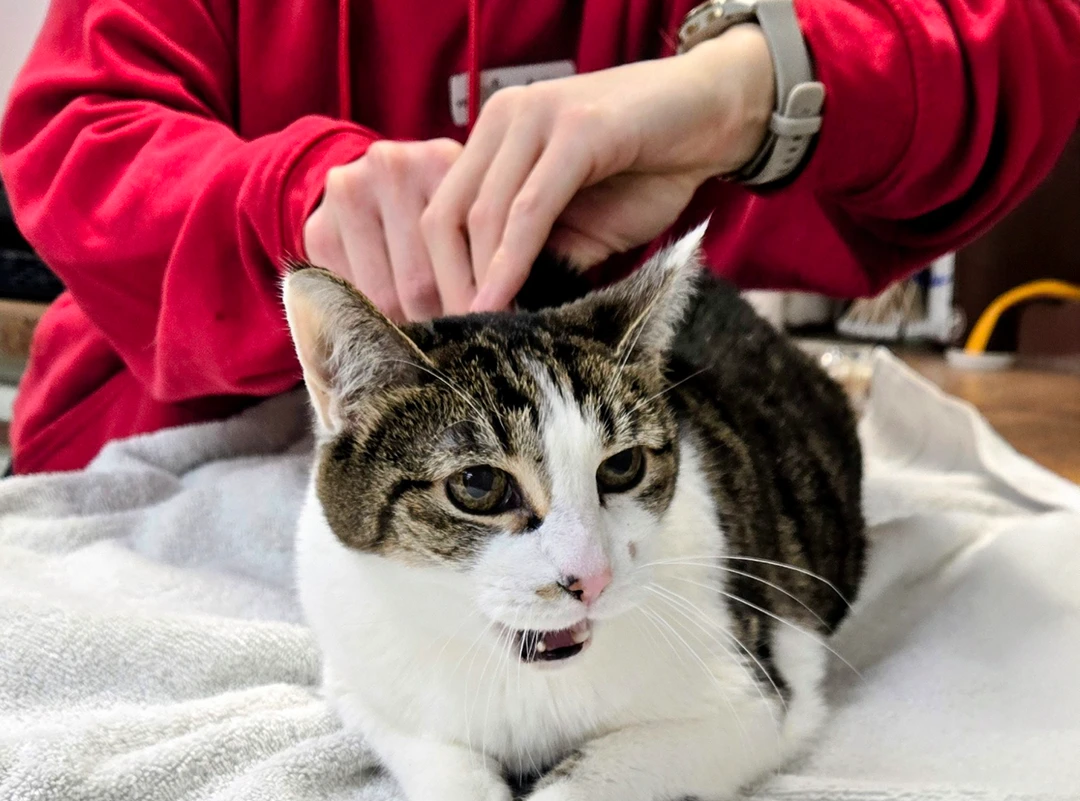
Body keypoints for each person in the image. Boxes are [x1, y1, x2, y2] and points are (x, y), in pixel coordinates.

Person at [1, 0, 1078, 475]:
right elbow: (74, 134)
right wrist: (287, 200)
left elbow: (1013, 42)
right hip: (179, 461)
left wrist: (756, 84)